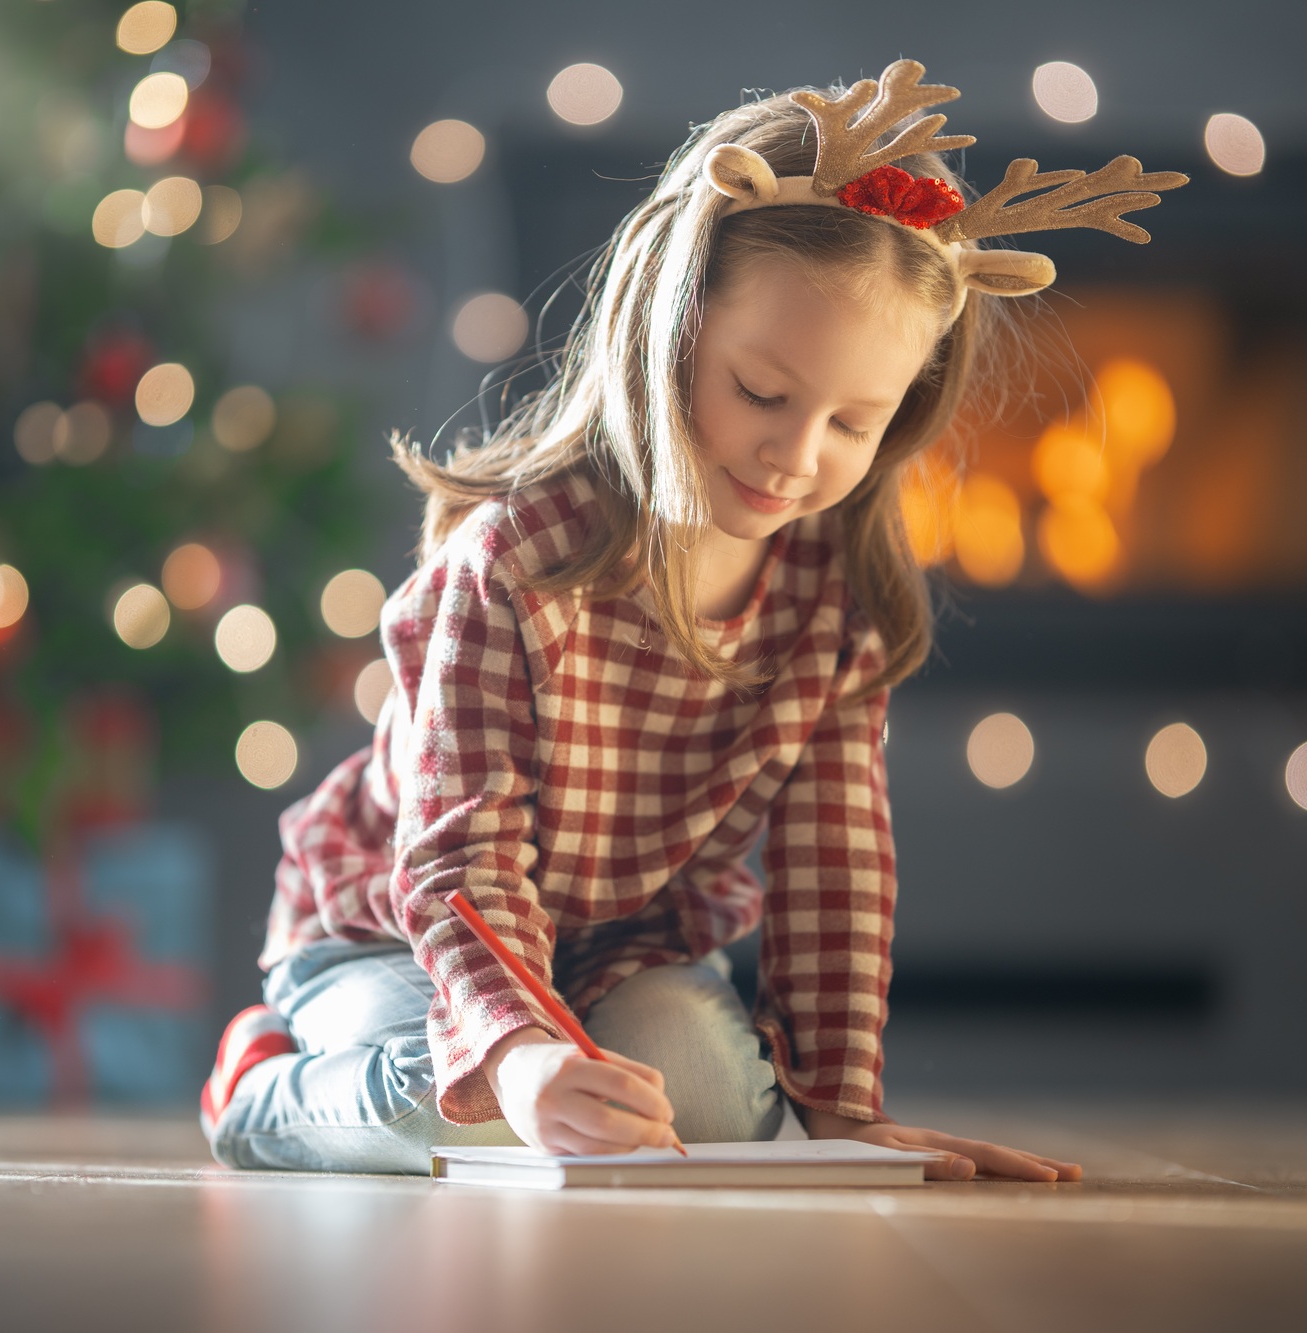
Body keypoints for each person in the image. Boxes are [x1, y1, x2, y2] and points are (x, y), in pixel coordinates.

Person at [201, 59, 1183, 1178]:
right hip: (404, 936)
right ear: (663, 335)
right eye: (761, 393)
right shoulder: (509, 566)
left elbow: (837, 871)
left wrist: (842, 1110)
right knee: (466, 1101)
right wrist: (519, 1055)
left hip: (624, 952)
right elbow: (459, 855)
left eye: (852, 423)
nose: (796, 456)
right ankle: (262, 1085)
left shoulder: (832, 603)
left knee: (709, 1099)